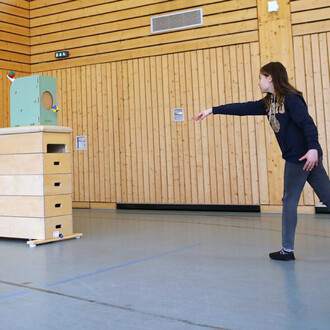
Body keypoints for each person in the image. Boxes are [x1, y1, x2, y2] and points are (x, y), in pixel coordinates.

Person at [193, 62, 330, 261]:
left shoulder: (291, 99)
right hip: (305, 157)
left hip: (300, 157)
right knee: (327, 196)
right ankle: (287, 249)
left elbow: (307, 124)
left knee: (289, 200)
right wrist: (212, 110)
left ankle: (287, 250)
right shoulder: (269, 103)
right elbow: (243, 108)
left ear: (270, 78)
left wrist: (313, 149)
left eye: (260, 77)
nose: (258, 82)